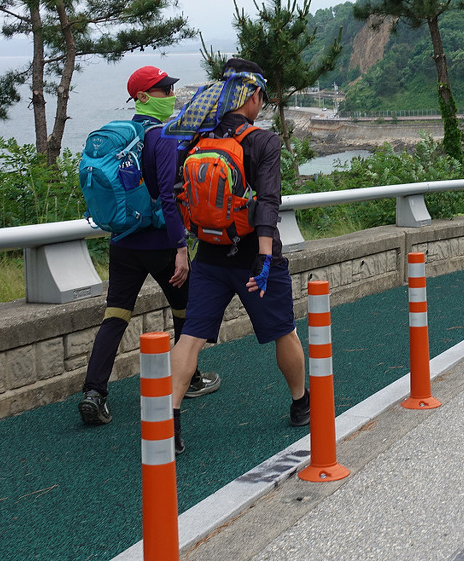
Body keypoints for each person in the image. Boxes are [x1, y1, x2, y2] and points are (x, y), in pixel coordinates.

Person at [164, 58, 308, 455]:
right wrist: (264, 259)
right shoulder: (263, 141)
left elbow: (176, 195)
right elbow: (268, 203)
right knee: (284, 331)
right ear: (254, 95)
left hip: (209, 255)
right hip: (253, 260)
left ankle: (169, 422)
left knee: (190, 338)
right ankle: (300, 404)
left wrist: (184, 246)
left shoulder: (197, 138)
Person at [78, 66, 220, 426]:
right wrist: (181, 248)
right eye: (163, 90)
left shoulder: (123, 139)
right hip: (160, 243)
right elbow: (170, 199)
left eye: (170, 88)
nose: (170, 95)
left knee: (115, 316)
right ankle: (190, 378)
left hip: (123, 242)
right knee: (186, 310)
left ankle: (94, 392)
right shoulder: (162, 137)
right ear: (142, 97)